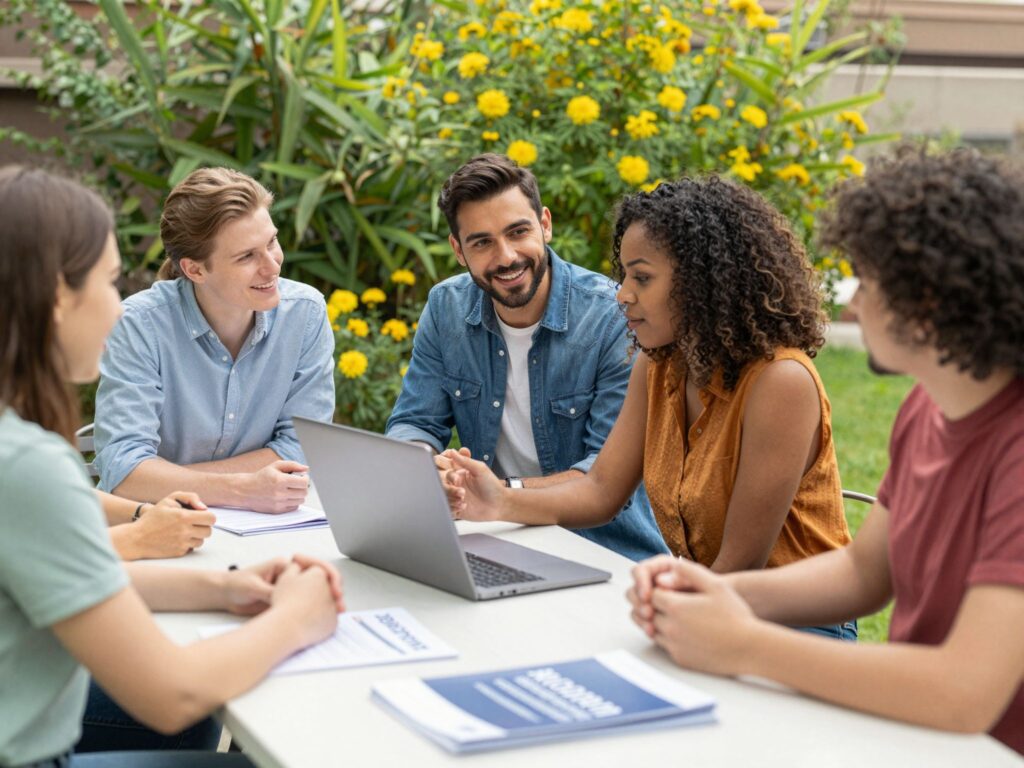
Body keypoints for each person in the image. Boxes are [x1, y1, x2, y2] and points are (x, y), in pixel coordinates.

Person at [627, 148, 1024, 753]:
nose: (851, 303)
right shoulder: (927, 408)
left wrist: (744, 641)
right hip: (916, 737)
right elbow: (864, 572)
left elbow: (965, 691)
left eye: (867, 281)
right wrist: (703, 593)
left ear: (933, 300)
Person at [0, 165, 345, 767]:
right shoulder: (27, 465)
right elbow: (172, 694)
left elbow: (65, 572)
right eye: (109, 282)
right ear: (59, 295)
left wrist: (222, 587)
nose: (119, 308)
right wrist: (296, 616)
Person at [446, 175, 854, 638]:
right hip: (705, 606)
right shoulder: (659, 363)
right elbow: (602, 490)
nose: (622, 293)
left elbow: (739, 568)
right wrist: (499, 500)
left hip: (797, 626)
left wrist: (653, 614)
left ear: (702, 282)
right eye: (624, 276)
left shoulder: (781, 382)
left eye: (642, 277)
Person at [385, 153, 666, 561]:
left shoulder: (613, 316)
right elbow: (414, 423)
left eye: (518, 232)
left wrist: (497, 494)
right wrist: (430, 470)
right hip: (491, 538)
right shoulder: (446, 307)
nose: (506, 257)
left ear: (545, 224)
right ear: (458, 251)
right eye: (482, 242)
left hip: (600, 549)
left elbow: (602, 478)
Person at [93, 167, 335, 514]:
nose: (272, 267)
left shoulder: (305, 314)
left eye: (271, 243)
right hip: (149, 527)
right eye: (247, 256)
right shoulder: (139, 325)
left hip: (259, 528)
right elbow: (125, 472)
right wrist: (241, 488)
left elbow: (301, 451)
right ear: (195, 270)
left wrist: (171, 479)